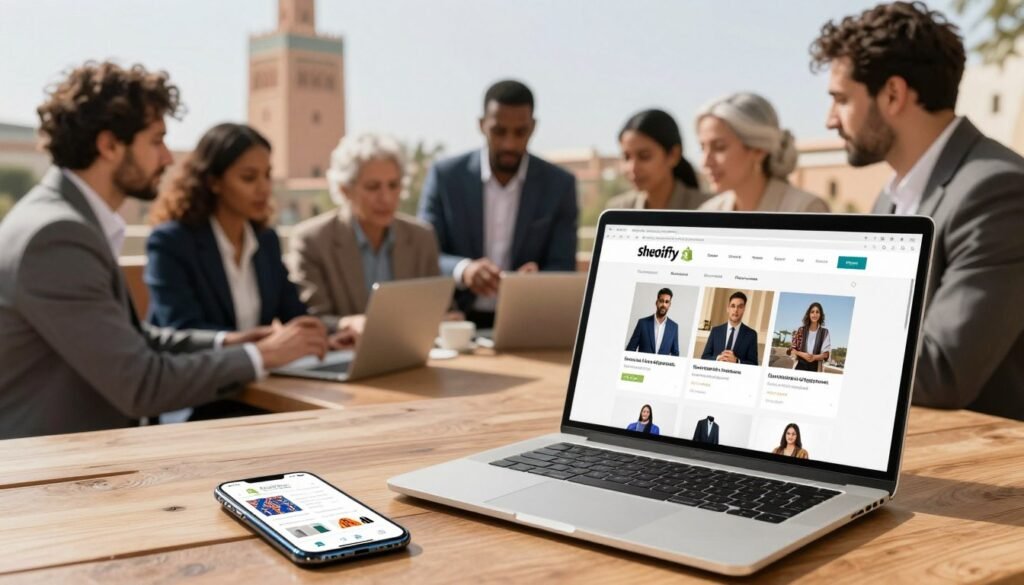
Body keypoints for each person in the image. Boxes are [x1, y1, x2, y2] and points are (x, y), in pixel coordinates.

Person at [0, 62, 327, 439]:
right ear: (109, 145)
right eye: (157, 141)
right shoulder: (58, 236)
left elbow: (132, 339)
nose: (169, 158)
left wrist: (229, 342)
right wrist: (261, 356)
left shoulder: (64, 219)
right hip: (53, 464)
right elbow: (140, 383)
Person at [811, 2, 1024, 420]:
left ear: (893, 94)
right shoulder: (890, 197)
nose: (830, 120)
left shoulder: (998, 191)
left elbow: (941, 370)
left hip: (978, 455)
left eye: (841, 99)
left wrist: (806, 350)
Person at [418, 80, 578, 327]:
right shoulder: (445, 177)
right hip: (456, 320)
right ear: (481, 125)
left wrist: (538, 281)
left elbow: (563, 264)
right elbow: (424, 254)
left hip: (528, 321)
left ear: (533, 127)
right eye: (499, 131)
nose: (509, 143)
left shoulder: (559, 185)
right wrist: (463, 270)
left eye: (520, 132)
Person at [145, 123, 309, 333]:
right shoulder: (172, 242)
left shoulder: (266, 240)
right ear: (213, 182)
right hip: (197, 357)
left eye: (267, 175)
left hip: (263, 355)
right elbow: (182, 330)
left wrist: (337, 329)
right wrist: (258, 344)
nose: (264, 188)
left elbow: (295, 315)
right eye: (248, 177)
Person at [289, 133, 440, 322]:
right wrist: (347, 324)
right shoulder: (313, 241)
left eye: (393, 185)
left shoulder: (422, 237)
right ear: (345, 190)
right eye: (373, 187)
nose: (386, 198)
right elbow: (313, 317)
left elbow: (438, 306)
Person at [696, 92, 830, 213]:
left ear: (758, 150)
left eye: (719, 147)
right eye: (702, 148)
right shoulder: (708, 212)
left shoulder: (805, 210)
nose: (705, 162)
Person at [606, 109, 708, 210]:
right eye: (626, 157)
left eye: (644, 156)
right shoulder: (618, 210)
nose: (632, 167)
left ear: (673, 155)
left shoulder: (708, 209)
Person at [700, 291, 759, 365]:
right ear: (728, 308)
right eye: (733, 306)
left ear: (744, 309)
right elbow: (704, 358)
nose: (736, 310)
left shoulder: (751, 335)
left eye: (740, 307)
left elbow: (754, 364)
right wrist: (718, 358)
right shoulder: (715, 331)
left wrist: (737, 361)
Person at [625, 287, 680, 356]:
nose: (664, 305)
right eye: (661, 301)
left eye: (667, 302)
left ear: (669, 305)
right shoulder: (642, 323)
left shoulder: (674, 327)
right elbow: (630, 350)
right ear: (656, 302)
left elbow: (675, 354)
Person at [787, 302, 831, 372]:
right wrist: (802, 354)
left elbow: (826, 354)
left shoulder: (825, 332)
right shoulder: (800, 330)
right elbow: (792, 350)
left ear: (820, 315)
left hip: (815, 367)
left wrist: (814, 357)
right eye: (812, 312)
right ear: (809, 314)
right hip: (800, 365)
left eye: (817, 312)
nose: (815, 314)